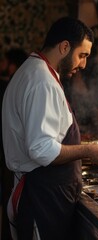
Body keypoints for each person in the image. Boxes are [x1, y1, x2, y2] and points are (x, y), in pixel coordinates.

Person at [2, 17, 98, 240]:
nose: (83, 64)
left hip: (47, 197)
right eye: (81, 55)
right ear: (64, 47)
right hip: (40, 198)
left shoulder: (38, 71)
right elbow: (42, 149)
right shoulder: (41, 81)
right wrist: (89, 150)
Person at [0, 48, 28, 240]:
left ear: (12, 64)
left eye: (4, 60)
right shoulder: (13, 85)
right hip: (7, 155)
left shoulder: (12, 84)